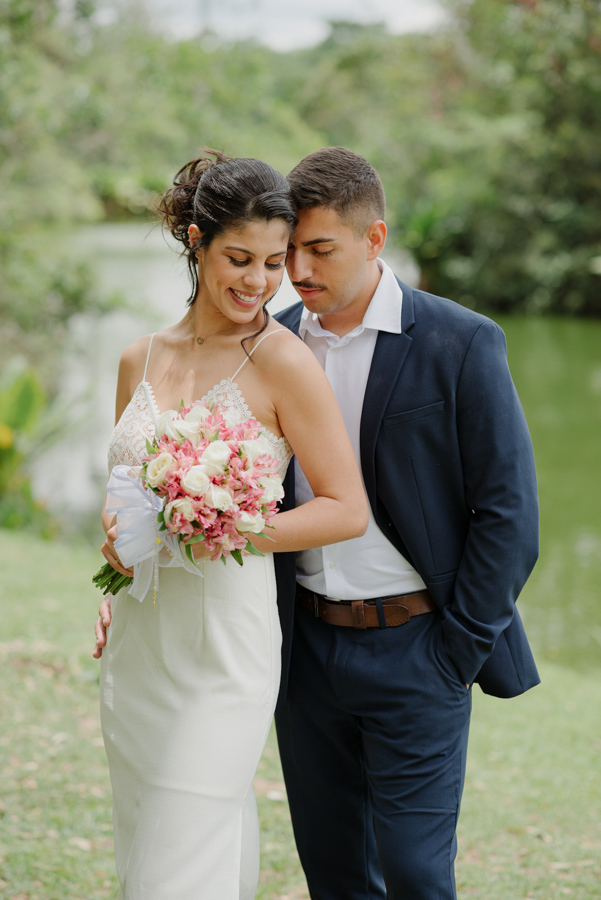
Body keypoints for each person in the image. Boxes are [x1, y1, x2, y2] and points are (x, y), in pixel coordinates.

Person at [97, 146, 540, 899]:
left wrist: (455, 649)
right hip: (295, 645)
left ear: (373, 239)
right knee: (331, 873)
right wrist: (118, 575)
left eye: (310, 251)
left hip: (416, 645)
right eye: (275, 253)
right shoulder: (254, 337)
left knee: (414, 871)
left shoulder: (457, 341)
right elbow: (128, 497)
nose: (287, 273)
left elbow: (506, 514)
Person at [95, 149, 368, 900]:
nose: (258, 282)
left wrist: (228, 528)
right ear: (195, 241)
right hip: (143, 639)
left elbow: (344, 508)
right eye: (239, 259)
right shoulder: (136, 359)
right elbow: (123, 499)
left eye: (274, 263)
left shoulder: (281, 361)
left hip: (226, 644)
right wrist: (114, 572)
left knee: (179, 859)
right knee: (158, 840)